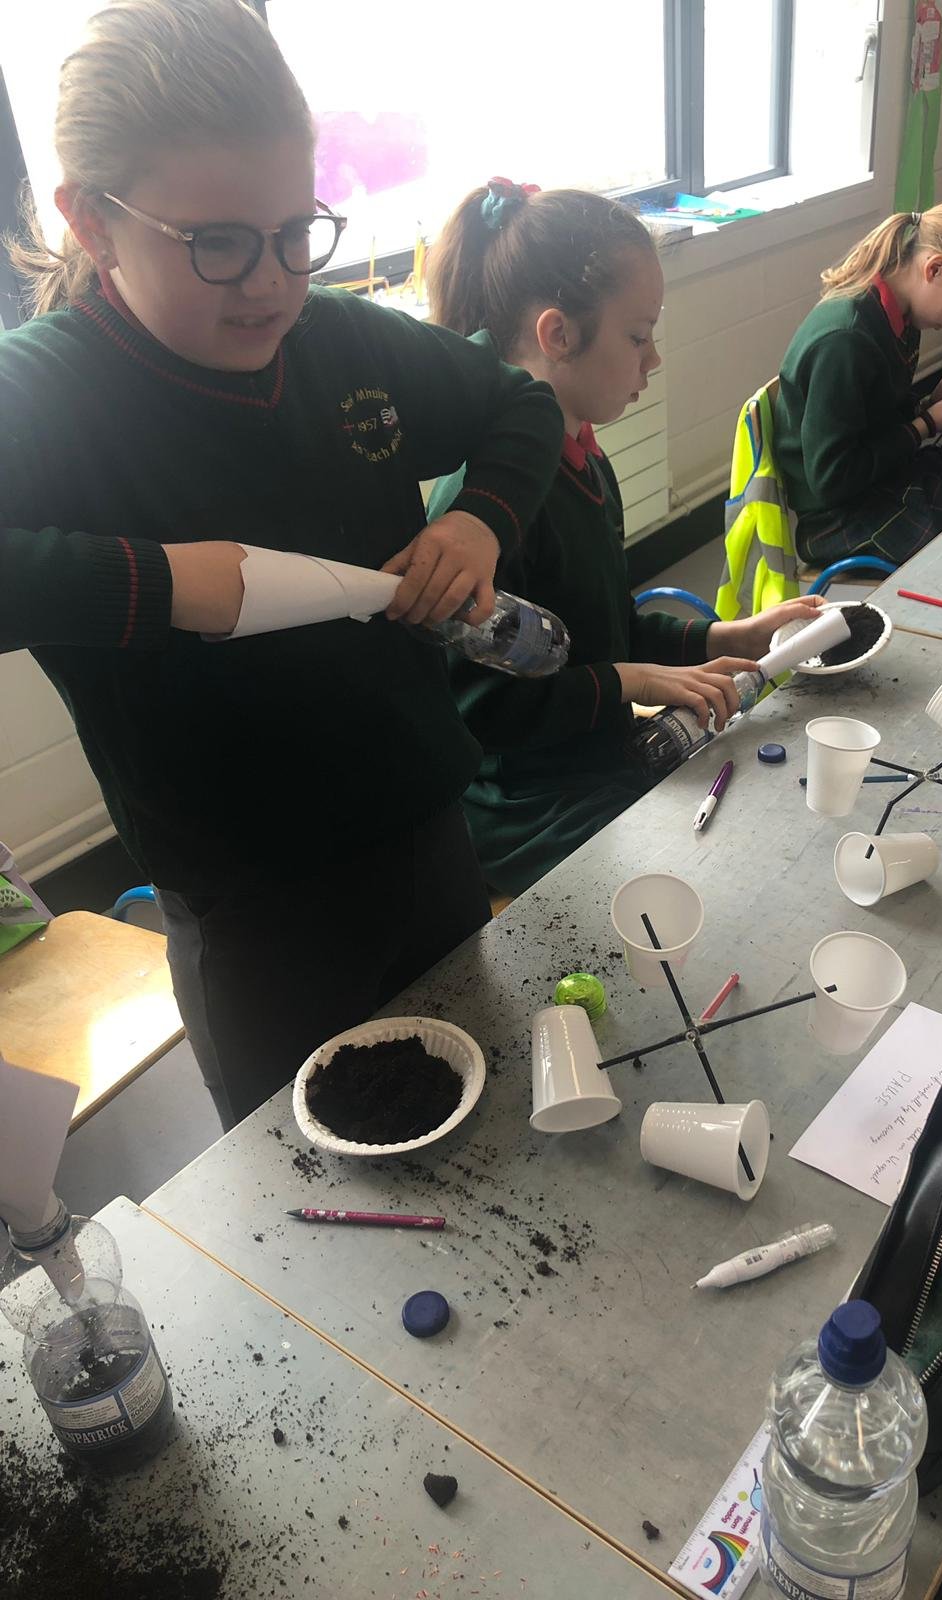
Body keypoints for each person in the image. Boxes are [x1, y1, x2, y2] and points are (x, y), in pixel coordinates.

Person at [0, 0, 562, 1128]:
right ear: (94, 221)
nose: (269, 283)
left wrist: (478, 523)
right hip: (254, 908)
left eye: (296, 232)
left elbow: (522, 408)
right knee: (314, 1181)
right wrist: (161, 587)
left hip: (423, 826)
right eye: (216, 242)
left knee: (481, 1108)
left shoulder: (336, 340)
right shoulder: (48, 390)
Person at [426, 181, 826, 897]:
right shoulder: (481, 510)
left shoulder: (584, 457)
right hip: (526, 808)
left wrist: (728, 635)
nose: (654, 360)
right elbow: (480, 712)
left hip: (595, 763)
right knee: (720, 871)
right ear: (557, 335)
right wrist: (630, 682)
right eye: (638, 337)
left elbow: (603, 630)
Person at [773, 199, 942, 569]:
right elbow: (833, 479)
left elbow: (876, 419)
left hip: (883, 481)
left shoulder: (901, 316)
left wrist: (929, 402)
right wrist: (928, 423)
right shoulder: (845, 339)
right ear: (935, 268)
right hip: (838, 517)